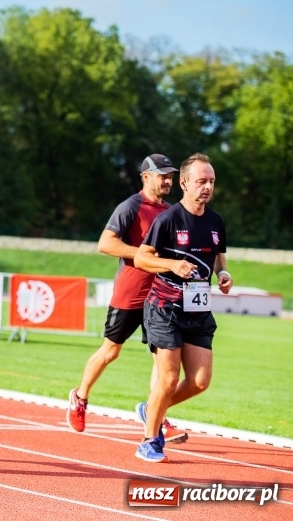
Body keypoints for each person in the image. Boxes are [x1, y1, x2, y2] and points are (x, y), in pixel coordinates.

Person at [67, 154, 188, 443]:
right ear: (145, 177)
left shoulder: (172, 212)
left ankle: (155, 414)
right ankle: (80, 396)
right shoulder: (131, 207)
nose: (168, 180)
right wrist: (143, 255)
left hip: (161, 296)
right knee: (110, 351)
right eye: (162, 175)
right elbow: (105, 244)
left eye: (170, 175)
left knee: (163, 360)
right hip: (130, 294)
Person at [133, 153, 232, 462]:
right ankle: (150, 440)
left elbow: (218, 256)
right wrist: (172, 265)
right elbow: (141, 258)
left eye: (212, 182)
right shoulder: (168, 219)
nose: (207, 187)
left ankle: (152, 408)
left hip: (198, 308)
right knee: (168, 379)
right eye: (201, 181)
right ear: (185, 183)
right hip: (165, 308)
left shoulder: (216, 222)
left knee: (200, 381)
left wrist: (223, 274)